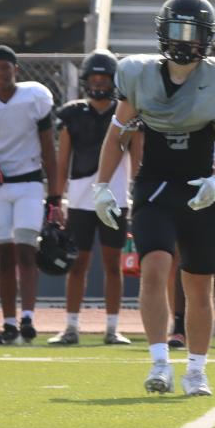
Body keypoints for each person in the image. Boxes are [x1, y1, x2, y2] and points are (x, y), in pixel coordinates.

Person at [92, 0, 215, 395]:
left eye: (192, 31)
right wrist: (102, 186)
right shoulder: (138, 74)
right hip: (155, 185)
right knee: (154, 269)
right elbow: (117, 136)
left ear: (207, 36)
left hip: (198, 189)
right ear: (162, 31)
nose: (183, 39)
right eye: (176, 29)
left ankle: (196, 369)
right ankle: (160, 363)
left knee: (199, 286)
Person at [0, 44, 59, 345]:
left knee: (27, 250)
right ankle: (7, 322)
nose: (1, 73)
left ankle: (28, 317)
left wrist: (55, 195)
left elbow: (48, 149)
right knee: (4, 255)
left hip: (30, 183)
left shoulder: (34, 97)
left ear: (16, 70)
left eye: (6, 67)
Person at [51, 50, 135, 346]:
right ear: (87, 81)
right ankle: (71, 326)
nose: (99, 83)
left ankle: (112, 327)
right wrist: (55, 200)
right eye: (94, 78)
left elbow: (136, 158)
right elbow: (63, 162)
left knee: (113, 264)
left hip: (115, 198)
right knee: (78, 263)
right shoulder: (73, 114)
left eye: (105, 78)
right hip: (80, 200)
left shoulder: (126, 112)